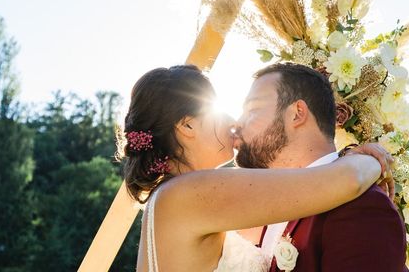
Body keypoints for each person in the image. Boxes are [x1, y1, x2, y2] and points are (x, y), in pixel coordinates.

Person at [117, 64, 393, 272]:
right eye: (219, 109)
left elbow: (290, 202)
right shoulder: (191, 193)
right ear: (187, 125)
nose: (234, 122)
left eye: (250, 109)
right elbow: (348, 180)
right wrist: (372, 157)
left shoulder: (178, 198)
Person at [235, 62, 409, 271]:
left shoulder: (362, 207)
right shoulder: (268, 210)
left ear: (297, 113)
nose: (238, 123)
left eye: (252, 109)